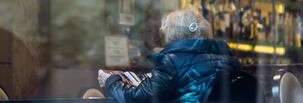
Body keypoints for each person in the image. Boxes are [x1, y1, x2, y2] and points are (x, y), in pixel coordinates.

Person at [98, 9, 241, 103]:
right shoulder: (229, 60)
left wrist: (111, 80)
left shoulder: (171, 62)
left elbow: (137, 98)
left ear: (173, 34)